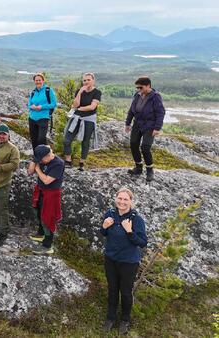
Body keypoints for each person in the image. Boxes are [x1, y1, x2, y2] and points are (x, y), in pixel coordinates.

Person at [101, 188, 147, 334]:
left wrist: (129, 231)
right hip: (111, 259)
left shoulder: (136, 219)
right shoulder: (110, 214)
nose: (122, 201)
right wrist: (104, 227)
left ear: (131, 201)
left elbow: (142, 242)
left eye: (125, 199)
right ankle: (110, 318)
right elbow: (104, 233)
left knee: (126, 293)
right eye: (119, 198)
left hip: (128, 262)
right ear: (116, 199)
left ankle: (125, 320)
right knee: (112, 289)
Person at [125, 76, 165, 182]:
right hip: (137, 124)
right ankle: (138, 167)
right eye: (137, 88)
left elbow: (160, 113)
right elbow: (131, 110)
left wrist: (157, 128)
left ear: (148, 86)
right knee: (133, 144)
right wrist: (127, 123)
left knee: (145, 147)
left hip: (150, 125)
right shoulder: (137, 95)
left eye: (140, 87)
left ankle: (149, 170)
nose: (138, 90)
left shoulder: (156, 97)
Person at [27, 145, 64, 255]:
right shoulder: (43, 159)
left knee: (48, 218)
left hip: (52, 194)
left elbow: (47, 180)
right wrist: (35, 160)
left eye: (41, 159)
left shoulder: (58, 163)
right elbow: (29, 172)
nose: (40, 162)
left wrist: (38, 168)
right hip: (41, 190)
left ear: (48, 156)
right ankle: (41, 234)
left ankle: (48, 246)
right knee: (38, 211)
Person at [63, 73, 102, 171]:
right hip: (76, 118)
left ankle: (81, 163)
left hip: (89, 120)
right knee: (66, 140)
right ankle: (68, 161)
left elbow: (92, 107)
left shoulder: (97, 92)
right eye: (84, 80)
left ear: (93, 80)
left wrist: (79, 108)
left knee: (85, 142)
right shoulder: (79, 91)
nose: (86, 82)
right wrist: (80, 92)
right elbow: (75, 104)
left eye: (88, 80)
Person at [27, 73, 57, 150]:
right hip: (32, 118)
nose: (38, 82)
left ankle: (47, 156)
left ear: (43, 80)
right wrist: (32, 107)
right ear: (34, 81)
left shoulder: (48, 90)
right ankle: (36, 157)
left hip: (43, 118)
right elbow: (29, 105)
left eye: (39, 80)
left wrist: (42, 107)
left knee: (41, 139)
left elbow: (54, 104)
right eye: (36, 80)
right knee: (34, 140)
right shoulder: (33, 92)